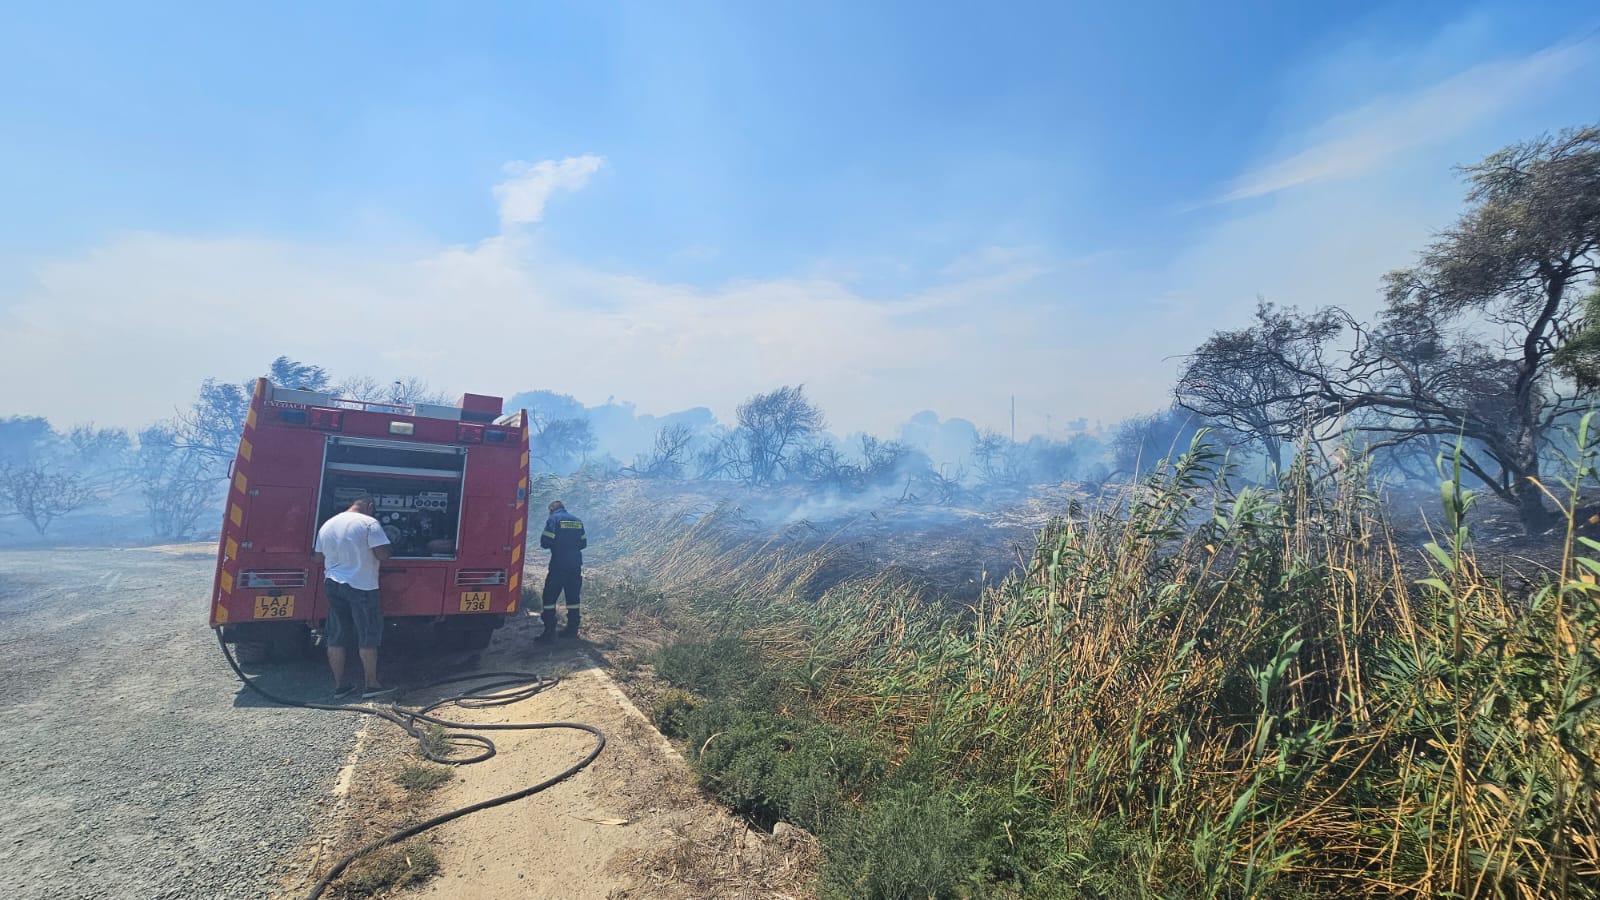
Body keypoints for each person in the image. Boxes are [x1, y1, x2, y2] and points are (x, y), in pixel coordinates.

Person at [312, 493, 396, 700]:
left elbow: (317, 558)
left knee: (336, 634)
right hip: (362, 585)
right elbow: (383, 554)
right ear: (369, 505)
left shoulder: (328, 525)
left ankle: (341, 686)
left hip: (333, 584)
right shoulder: (369, 523)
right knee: (367, 634)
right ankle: (372, 685)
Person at [537, 499, 586, 640]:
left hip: (559, 566)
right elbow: (583, 543)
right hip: (575, 566)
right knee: (573, 598)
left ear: (551, 510)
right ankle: (572, 630)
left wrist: (558, 545)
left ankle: (549, 632)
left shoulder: (554, 519)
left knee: (549, 597)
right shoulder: (577, 521)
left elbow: (545, 542)